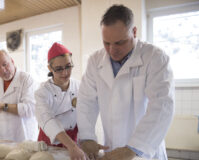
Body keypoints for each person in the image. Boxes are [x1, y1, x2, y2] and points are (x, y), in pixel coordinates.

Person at [77, 4, 174, 160]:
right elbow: (86, 101)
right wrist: (87, 137)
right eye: (106, 43)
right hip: (112, 147)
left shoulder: (155, 57)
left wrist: (133, 148)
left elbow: (162, 106)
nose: (112, 50)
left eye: (119, 42)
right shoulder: (95, 61)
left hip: (143, 151)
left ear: (134, 32)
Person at [35, 42, 86, 160]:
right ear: (50, 68)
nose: (65, 73)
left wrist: (88, 140)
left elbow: (86, 115)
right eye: (58, 69)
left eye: (68, 66)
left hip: (74, 139)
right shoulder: (42, 92)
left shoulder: (80, 86)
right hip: (50, 140)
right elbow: (48, 120)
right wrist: (71, 146)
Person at [0, 49, 38, 142]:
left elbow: (30, 109)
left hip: (23, 136)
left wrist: (2, 106)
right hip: (1, 135)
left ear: (12, 61)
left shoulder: (26, 79)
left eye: (5, 64)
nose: (3, 70)